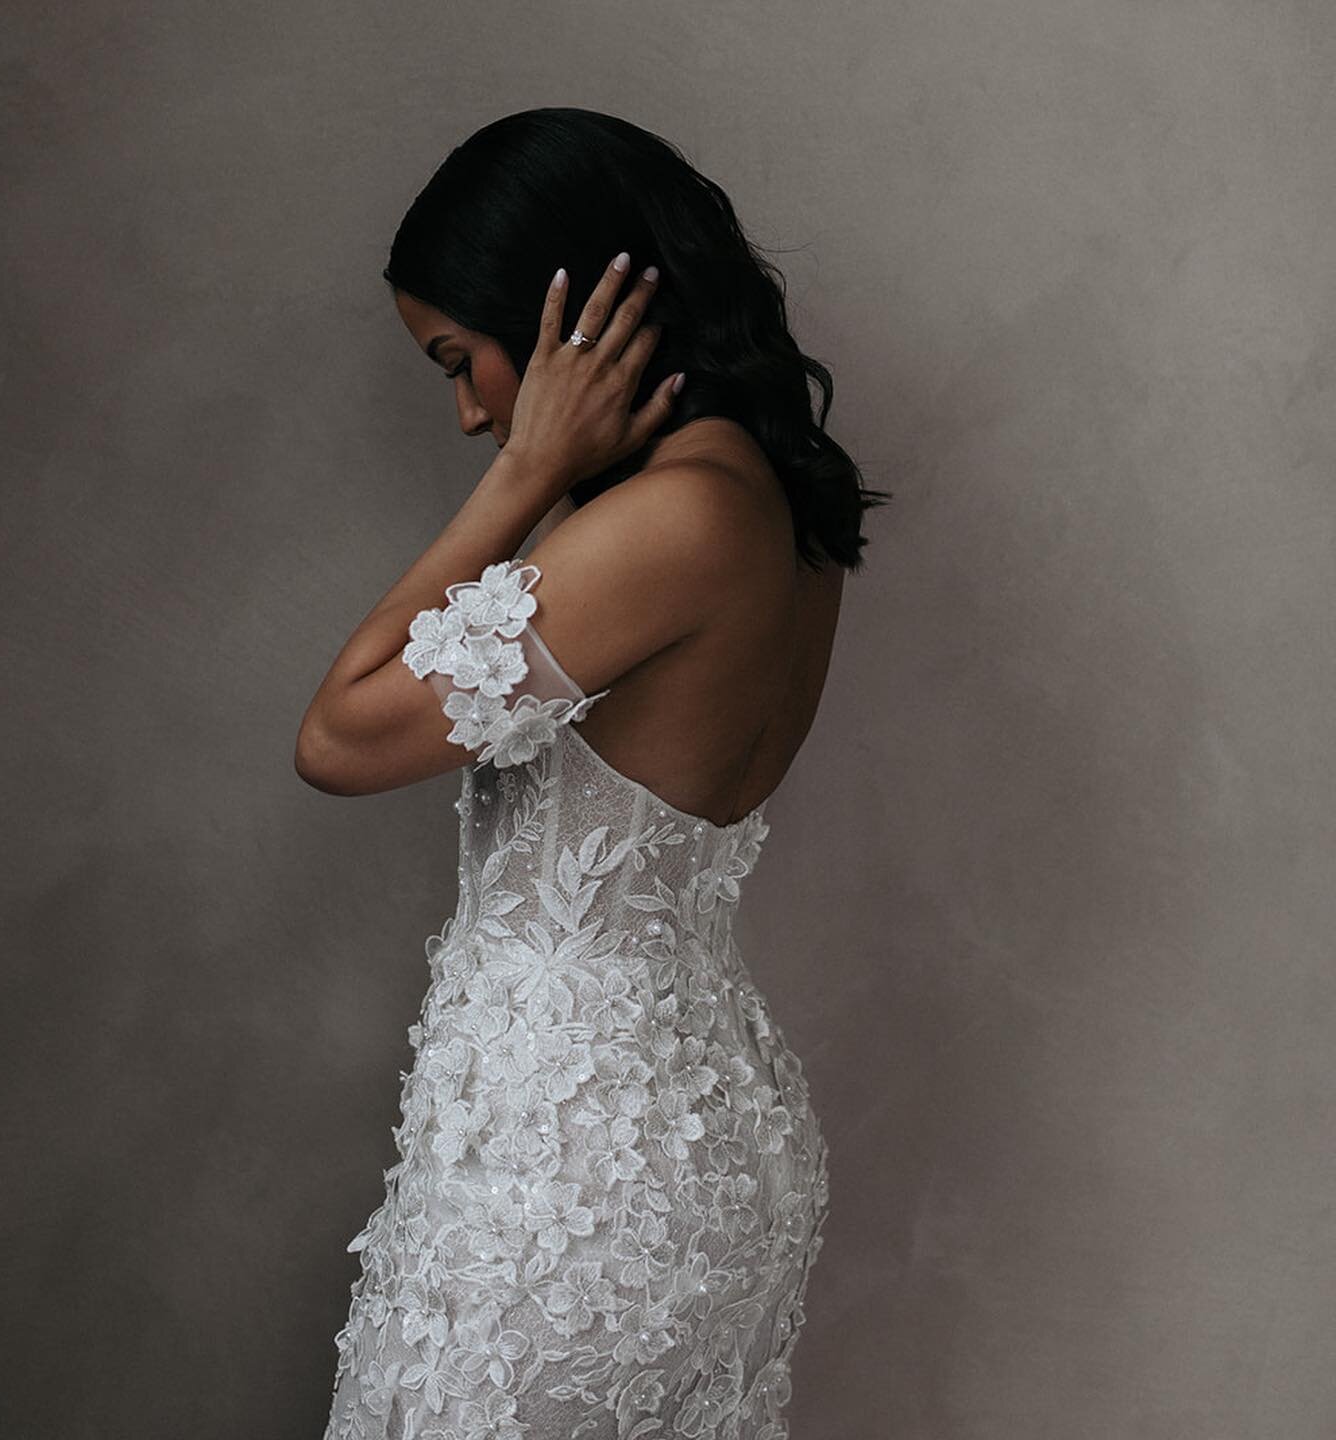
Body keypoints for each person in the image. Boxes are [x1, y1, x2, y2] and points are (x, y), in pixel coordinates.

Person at [295, 108, 888, 1440]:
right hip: (686, 1131)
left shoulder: (673, 521)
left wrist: (528, 470)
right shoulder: (770, 509)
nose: (465, 414)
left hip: (581, 1174)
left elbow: (338, 735)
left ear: (565, 324)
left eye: (464, 363)